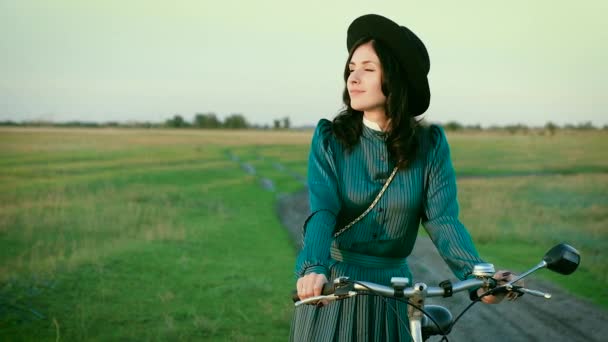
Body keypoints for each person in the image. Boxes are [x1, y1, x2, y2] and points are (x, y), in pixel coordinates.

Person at [290, 14, 520, 341]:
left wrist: (479, 275)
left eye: (368, 69)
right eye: (351, 68)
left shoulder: (429, 145)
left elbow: (443, 220)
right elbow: (323, 209)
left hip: (395, 290)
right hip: (336, 287)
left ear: (395, 78)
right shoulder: (330, 138)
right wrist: (314, 268)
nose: (353, 78)